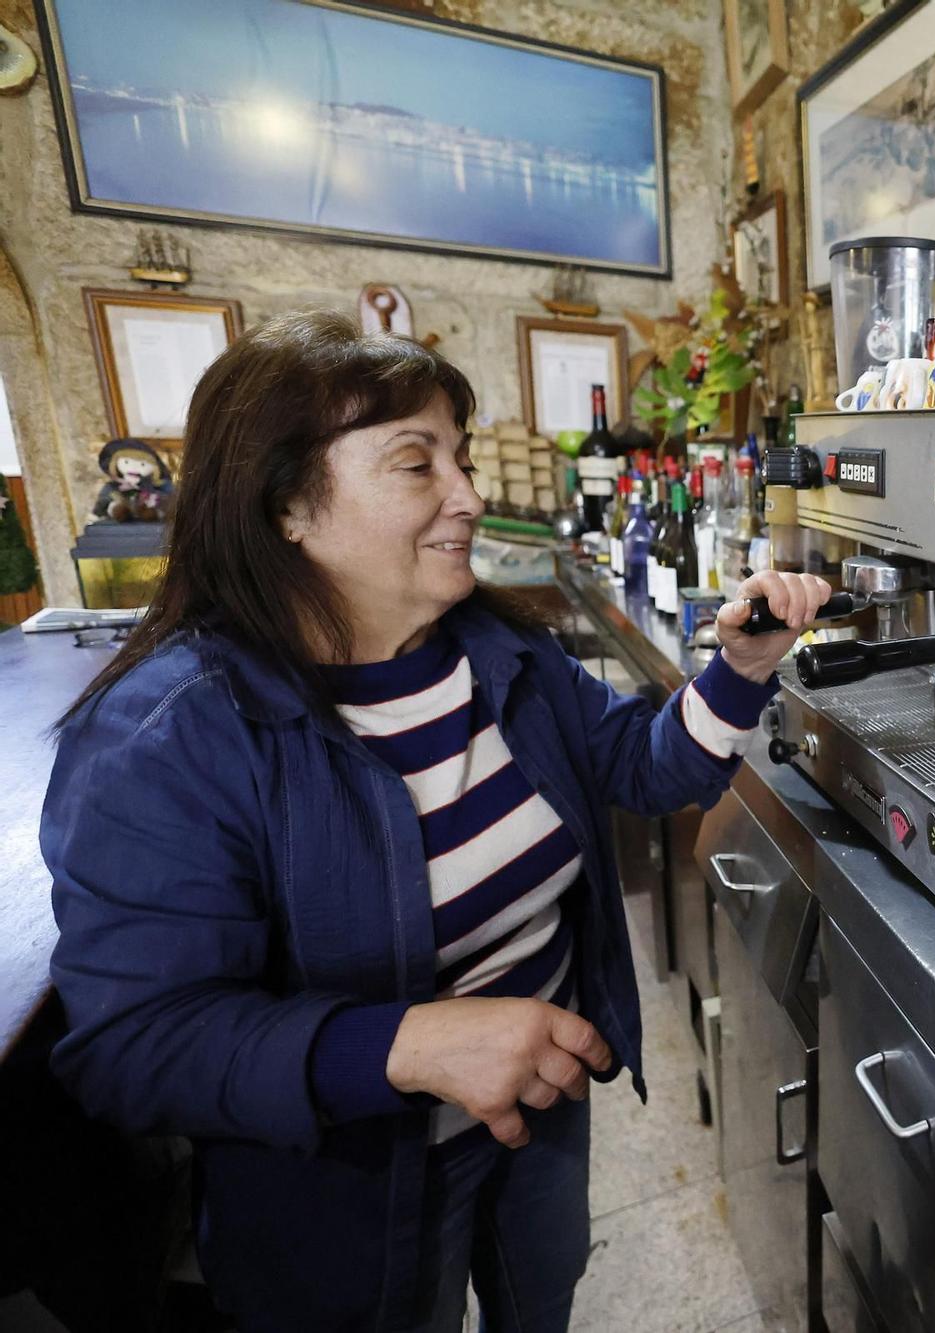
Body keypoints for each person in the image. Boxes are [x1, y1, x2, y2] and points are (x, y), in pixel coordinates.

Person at [40, 310, 831, 1333]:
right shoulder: (170, 739)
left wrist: (741, 669)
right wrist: (405, 1045)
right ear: (285, 502)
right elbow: (135, 1044)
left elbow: (642, 764)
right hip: (342, 1188)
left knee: (536, 1303)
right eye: (418, 464)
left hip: (538, 1124)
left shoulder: (496, 654)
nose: (470, 494)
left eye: (459, 455)